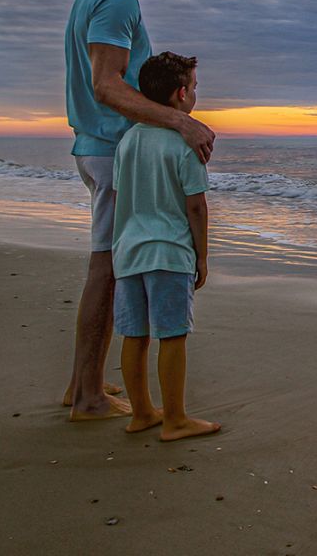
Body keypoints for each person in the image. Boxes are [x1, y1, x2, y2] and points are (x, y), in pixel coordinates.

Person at [63, 0, 215, 421]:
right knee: (107, 268)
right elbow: (105, 85)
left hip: (99, 147)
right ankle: (87, 396)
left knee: (108, 263)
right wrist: (179, 121)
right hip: (109, 148)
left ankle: (81, 382)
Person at [112, 51, 221, 441]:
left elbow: (122, 193)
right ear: (180, 94)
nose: (195, 92)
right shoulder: (184, 140)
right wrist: (202, 256)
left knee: (134, 335)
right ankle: (174, 418)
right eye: (193, 86)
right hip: (169, 252)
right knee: (172, 334)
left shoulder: (128, 141)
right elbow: (196, 204)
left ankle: (141, 412)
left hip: (128, 250)